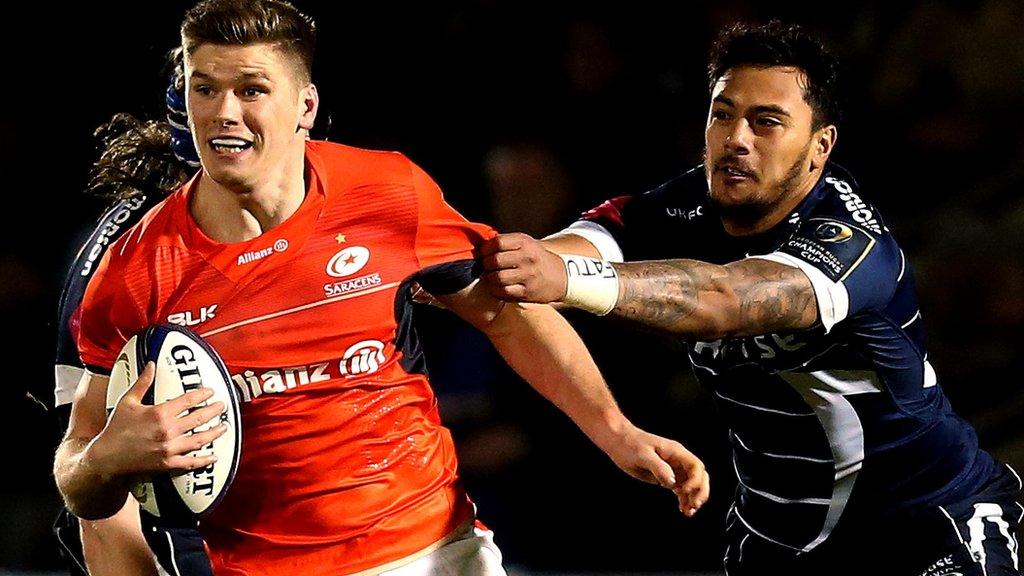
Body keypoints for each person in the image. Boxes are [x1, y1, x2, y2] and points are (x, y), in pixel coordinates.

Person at [53, 2, 709, 575]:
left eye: (252, 89)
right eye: (205, 88)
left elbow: (505, 315)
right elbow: (80, 477)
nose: (225, 113)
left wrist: (617, 431)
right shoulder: (132, 272)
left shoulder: (386, 192)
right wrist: (105, 460)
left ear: (305, 105)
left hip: (436, 552)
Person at [480, 20, 1023, 576]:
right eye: (723, 114)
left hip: (923, 526)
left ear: (820, 146)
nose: (737, 138)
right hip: (777, 537)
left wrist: (564, 277)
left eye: (766, 122)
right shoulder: (684, 204)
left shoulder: (852, 242)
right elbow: (553, 256)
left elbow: (723, 301)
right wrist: (475, 271)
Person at [52, 61, 213, 575]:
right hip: (191, 547)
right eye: (208, 91)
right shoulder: (126, 260)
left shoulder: (333, 212)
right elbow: (99, 466)